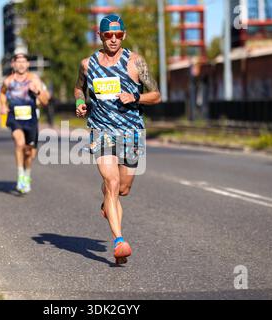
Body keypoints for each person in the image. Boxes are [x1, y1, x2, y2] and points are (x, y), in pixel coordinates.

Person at [74, 14, 161, 264]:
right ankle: (119, 240)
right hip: (101, 129)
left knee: (123, 188)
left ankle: (107, 203)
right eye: (108, 35)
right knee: (111, 182)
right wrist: (80, 102)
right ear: (100, 36)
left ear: (124, 35)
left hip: (131, 131)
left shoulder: (135, 63)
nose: (113, 39)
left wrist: (135, 98)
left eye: (118, 35)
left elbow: (156, 94)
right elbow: (79, 87)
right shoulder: (87, 65)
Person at [0, 53, 50, 193]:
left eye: (24, 62)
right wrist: (3, 106)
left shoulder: (34, 79)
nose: (21, 64)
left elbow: (45, 101)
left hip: (31, 119)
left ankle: (27, 175)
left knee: (30, 153)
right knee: (19, 143)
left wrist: (38, 92)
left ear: (28, 64)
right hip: (14, 117)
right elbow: (2, 94)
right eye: (18, 62)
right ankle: (20, 175)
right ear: (13, 64)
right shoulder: (8, 81)